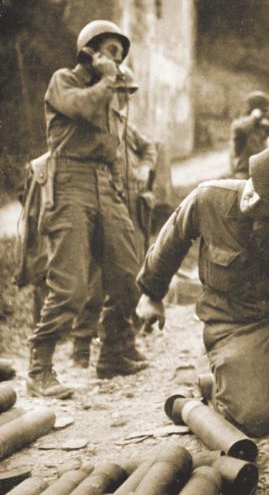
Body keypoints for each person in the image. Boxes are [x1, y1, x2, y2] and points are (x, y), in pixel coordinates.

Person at [135, 142, 269, 437]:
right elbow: (171, 241)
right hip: (235, 326)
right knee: (255, 420)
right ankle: (220, 390)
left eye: (268, 203)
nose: (253, 203)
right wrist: (151, 295)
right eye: (253, 189)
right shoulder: (209, 198)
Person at [28, 20, 147, 398]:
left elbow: (112, 150)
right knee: (71, 285)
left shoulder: (106, 93)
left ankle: (115, 351)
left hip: (102, 184)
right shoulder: (64, 81)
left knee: (130, 271)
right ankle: (39, 368)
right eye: (111, 51)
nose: (118, 61)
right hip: (69, 183)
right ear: (90, 51)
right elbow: (80, 108)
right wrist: (108, 81)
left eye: (120, 55)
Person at [70, 68, 158, 368]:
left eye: (126, 93)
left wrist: (145, 167)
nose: (122, 98)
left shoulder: (124, 126)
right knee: (108, 283)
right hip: (105, 211)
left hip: (129, 212)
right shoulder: (94, 124)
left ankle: (124, 345)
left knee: (130, 279)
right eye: (119, 92)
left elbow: (149, 148)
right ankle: (100, 350)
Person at [229, 91, 269, 179]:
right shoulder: (240, 123)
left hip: (260, 171)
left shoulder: (260, 125)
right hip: (244, 172)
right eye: (263, 110)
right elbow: (240, 129)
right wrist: (254, 117)